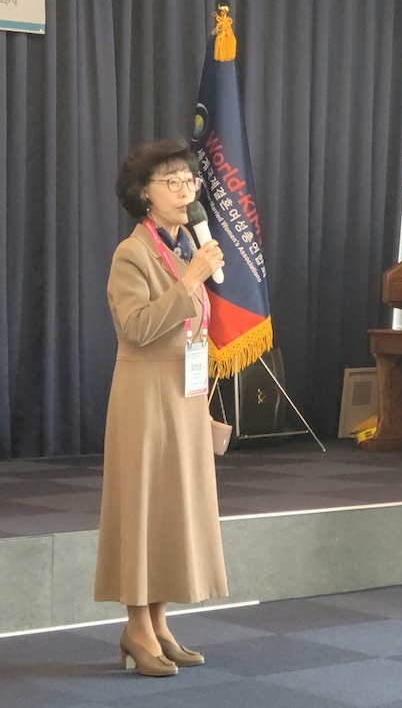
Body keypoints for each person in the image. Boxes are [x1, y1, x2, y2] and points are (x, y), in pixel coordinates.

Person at [94, 140, 228, 676]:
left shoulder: (187, 242)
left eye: (189, 180)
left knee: (171, 508)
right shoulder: (132, 253)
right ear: (144, 194)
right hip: (145, 395)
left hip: (183, 394)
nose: (184, 190)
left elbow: (192, 327)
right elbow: (137, 328)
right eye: (171, 182)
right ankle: (135, 628)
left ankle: (159, 624)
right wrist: (191, 278)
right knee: (142, 507)